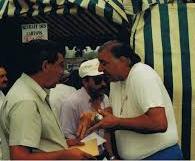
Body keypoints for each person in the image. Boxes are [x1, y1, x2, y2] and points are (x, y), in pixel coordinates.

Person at [78, 40, 183, 160]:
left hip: (160, 156)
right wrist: (94, 116)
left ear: (123, 60)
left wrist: (117, 123)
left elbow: (159, 123)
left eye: (104, 63)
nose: (100, 69)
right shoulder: (115, 81)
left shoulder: (141, 74)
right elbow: (117, 111)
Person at [0, 39, 92, 160]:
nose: (62, 72)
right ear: (45, 66)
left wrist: (64, 145)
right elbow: (20, 157)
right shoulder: (26, 101)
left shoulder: (30, 93)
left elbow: (39, 144)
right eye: (60, 65)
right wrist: (64, 155)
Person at [59, 58, 114, 159]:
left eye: (104, 79)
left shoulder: (104, 98)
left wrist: (111, 156)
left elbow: (107, 132)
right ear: (85, 81)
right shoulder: (71, 103)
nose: (103, 84)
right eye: (98, 80)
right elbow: (66, 137)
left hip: (103, 155)